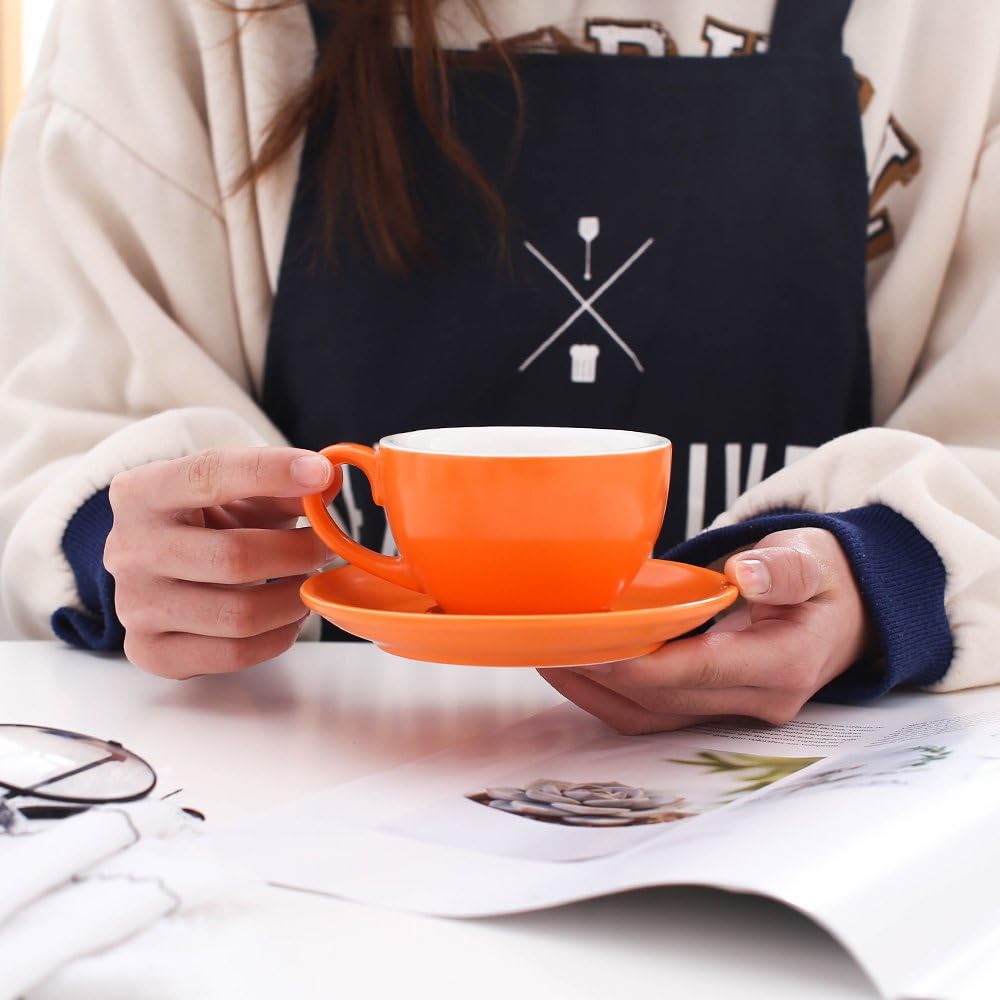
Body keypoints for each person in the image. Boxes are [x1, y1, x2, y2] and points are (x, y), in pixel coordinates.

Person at [1, 0, 998, 736]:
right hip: (292, 780)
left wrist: (883, 577)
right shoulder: (162, 21)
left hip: (799, 790)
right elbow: (58, 412)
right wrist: (132, 541)